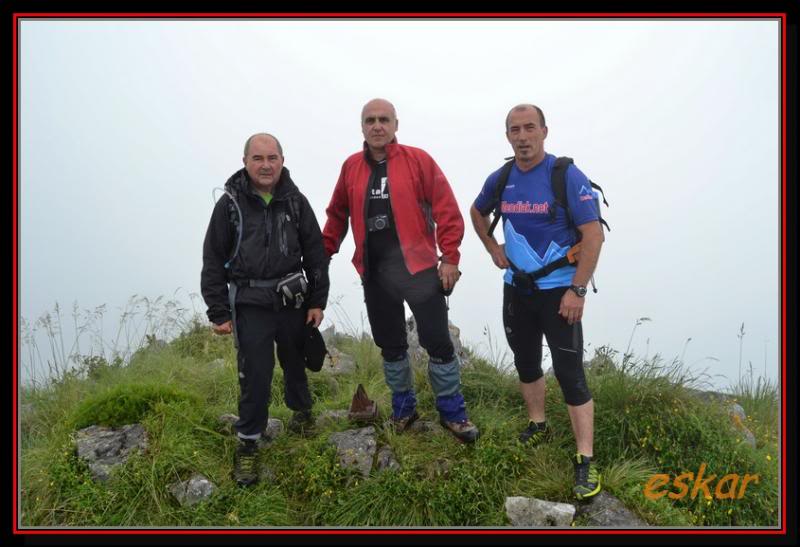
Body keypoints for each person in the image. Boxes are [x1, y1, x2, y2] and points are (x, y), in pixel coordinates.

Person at [322, 98, 479, 443]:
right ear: (361, 127)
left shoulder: (417, 160)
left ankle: (453, 413)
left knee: (437, 341)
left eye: (383, 119)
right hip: (376, 273)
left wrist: (450, 257)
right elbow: (337, 215)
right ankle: (404, 409)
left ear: (395, 125)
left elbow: (447, 209)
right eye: (369, 120)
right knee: (391, 344)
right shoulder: (351, 167)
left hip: (419, 268)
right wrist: (324, 252)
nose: (377, 126)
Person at [470, 104, 605, 499]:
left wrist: (578, 291)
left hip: (560, 291)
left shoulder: (565, 176)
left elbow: (593, 236)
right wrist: (493, 246)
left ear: (544, 131)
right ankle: (538, 423)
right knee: (526, 361)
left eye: (530, 128)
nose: (523, 136)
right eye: (515, 129)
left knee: (569, 370)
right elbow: (478, 212)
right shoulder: (503, 177)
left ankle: (585, 459)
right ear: (508, 136)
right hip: (517, 288)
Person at [201, 133, 330, 486]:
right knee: (255, 373)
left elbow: (315, 254)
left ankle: (302, 415)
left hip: (293, 300)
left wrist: (318, 300)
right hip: (249, 303)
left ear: (282, 160)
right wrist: (218, 311)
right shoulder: (229, 205)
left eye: (272, 157)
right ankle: (249, 442)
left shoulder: (296, 202)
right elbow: (213, 258)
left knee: (296, 361)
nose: (266, 165)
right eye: (258, 158)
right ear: (245, 162)